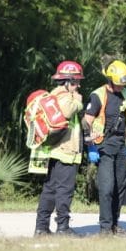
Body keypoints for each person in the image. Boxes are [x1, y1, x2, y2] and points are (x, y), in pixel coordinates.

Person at [83, 60, 126, 235]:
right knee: (107, 188)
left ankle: (115, 225)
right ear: (110, 80)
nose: (122, 87)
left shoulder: (125, 95)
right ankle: (105, 228)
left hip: (121, 145)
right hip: (103, 145)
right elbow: (86, 122)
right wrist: (90, 147)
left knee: (120, 187)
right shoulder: (98, 95)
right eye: (119, 84)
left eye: (124, 84)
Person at [34, 60, 85, 236]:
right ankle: (63, 227)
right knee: (64, 190)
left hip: (56, 150)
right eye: (76, 81)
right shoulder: (64, 96)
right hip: (66, 152)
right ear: (68, 81)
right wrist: (78, 101)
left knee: (50, 189)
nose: (78, 85)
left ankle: (41, 227)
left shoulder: (53, 94)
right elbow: (67, 111)